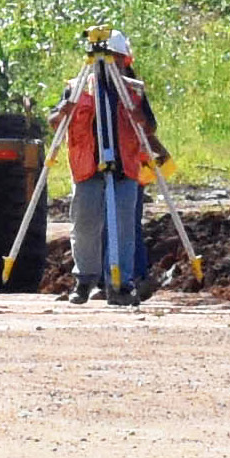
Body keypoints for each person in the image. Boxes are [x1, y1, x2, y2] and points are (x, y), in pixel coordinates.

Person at [51, 30, 168, 307]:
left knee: (124, 227)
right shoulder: (77, 87)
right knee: (86, 226)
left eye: (116, 60)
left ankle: (121, 283)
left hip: (124, 166)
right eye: (108, 59)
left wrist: (139, 117)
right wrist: (64, 110)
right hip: (87, 167)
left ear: (124, 61)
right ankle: (84, 281)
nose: (110, 65)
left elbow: (150, 126)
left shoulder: (132, 91)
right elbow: (54, 121)